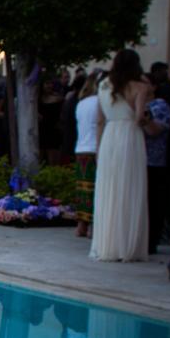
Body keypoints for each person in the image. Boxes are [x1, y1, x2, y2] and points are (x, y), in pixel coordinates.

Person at [91, 49, 150, 262]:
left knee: (110, 188)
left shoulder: (104, 85)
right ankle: (127, 245)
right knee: (129, 187)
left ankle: (108, 243)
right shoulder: (141, 87)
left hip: (109, 137)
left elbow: (99, 120)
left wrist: (98, 148)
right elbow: (139, 118)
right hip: (129, 137)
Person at [143, 86, 170, 255]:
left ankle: (151, 241)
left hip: (156, 162)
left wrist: (144, 116)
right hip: (140, 160)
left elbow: (154, 130)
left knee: (154, 203)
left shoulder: (159, 105)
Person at [73, 71, 103, 238]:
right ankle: (92, 226)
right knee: (95, 188)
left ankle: (81, 225)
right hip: (94, 148)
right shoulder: (99, 102)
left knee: (83, 189)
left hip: (81, 148)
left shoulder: (81, 103)